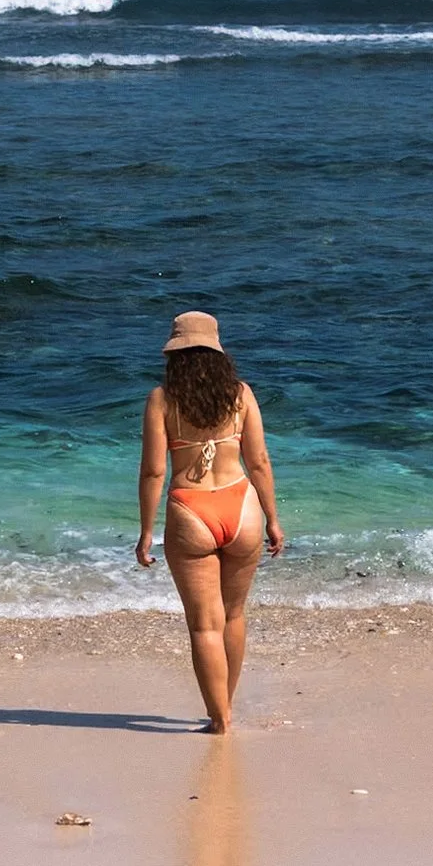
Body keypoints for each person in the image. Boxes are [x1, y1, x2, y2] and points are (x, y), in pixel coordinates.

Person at [135, 311, 283, 733]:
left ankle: (220, 719)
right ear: (218, 352)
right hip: (242, 509)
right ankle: (224, 707)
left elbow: (154, 472)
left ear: (174, 354)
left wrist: (146, 531)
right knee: (233, 616)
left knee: (204, 624)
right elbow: (258, 461)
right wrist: (273, 518)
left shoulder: (162, 400)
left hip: (191, 511)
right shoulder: (241, 394)